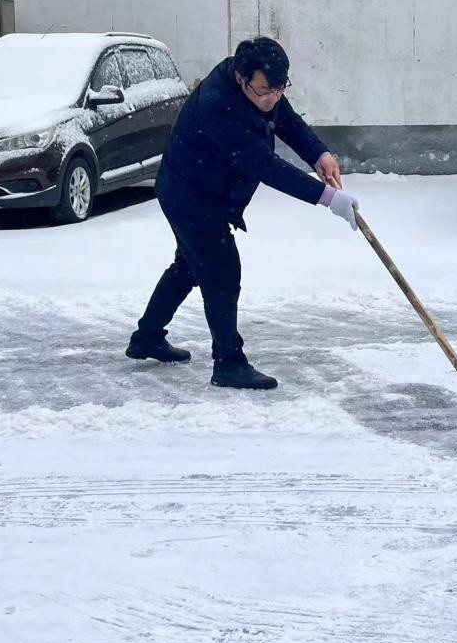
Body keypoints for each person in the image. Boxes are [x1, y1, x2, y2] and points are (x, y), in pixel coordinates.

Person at [125, 37, 359, 389]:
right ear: (241, 77)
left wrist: (319, 155)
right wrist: (328, 199)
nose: (272, 99)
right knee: (221, 272)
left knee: (190, 265)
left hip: (208, 192)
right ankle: (228, 363)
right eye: (265, 92)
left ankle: (147, 338)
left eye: (280, 90)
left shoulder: (262, 87)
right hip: (190, 195)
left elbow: (288, 121)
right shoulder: (218, 105)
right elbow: (265, 165)